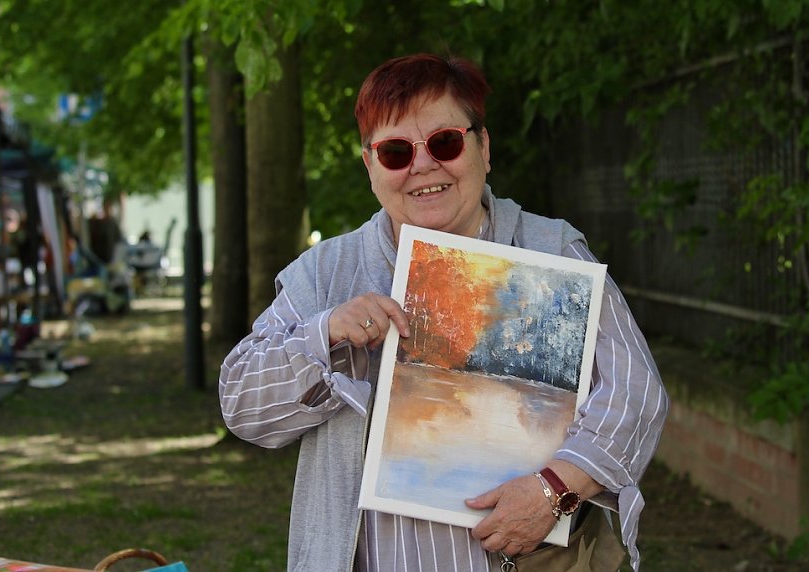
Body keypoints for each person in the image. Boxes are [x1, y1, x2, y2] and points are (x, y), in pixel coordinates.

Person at [219, 53, 669, 571]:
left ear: (483, 147)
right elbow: (242, 406)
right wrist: (324, 335)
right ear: (370, 166)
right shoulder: (324, 274)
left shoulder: (552, 252)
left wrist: (555, 489)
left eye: (445, 142)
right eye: (394, 152)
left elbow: (636, 391)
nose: (423, 166)